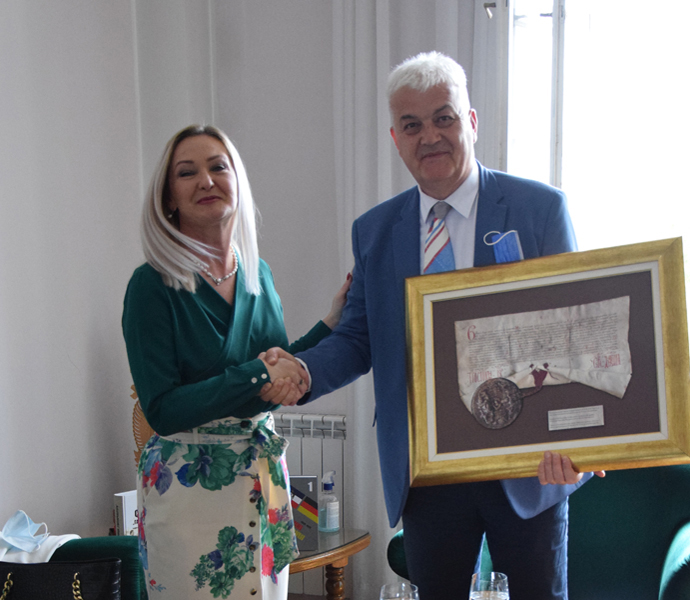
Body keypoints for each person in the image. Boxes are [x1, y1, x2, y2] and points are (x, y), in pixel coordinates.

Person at [270, 52, 604, 599]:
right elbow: (358, 336)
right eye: (412, 125)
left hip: (526, 467)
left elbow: (576, 335)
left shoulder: (539, 210)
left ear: (470, 122)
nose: (430, 136)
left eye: (443, 118)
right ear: (396, 139)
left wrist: (582, 446)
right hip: (427, 470)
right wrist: (304, 372)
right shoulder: (375, 231)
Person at [122, 124, 347, 600]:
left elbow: (273, 377)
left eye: (218, 167)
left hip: (262, 487)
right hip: (190, 499)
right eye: (187, 172)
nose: (206, 180)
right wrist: (260, 372)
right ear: (169, 198)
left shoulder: (257, 274)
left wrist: (330, 323)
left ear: (237, 181)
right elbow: (163, 409)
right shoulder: (150, 286)